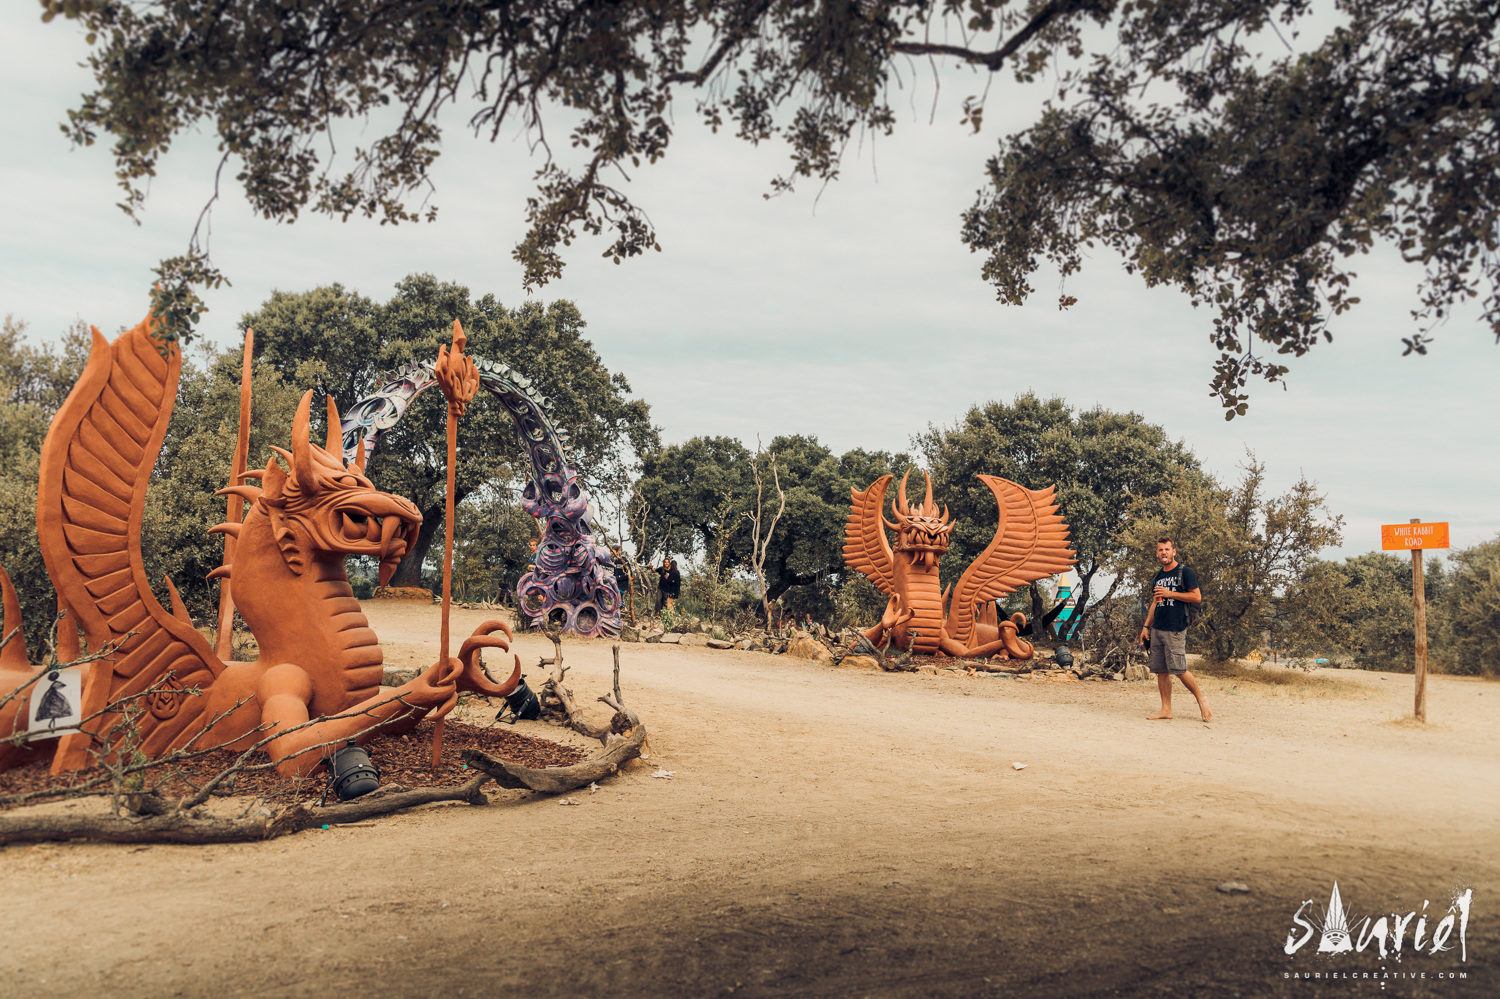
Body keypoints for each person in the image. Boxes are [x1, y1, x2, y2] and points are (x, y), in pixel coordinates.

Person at [1137, 536, 1212, 722]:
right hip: (1158, 628)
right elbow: (1155, 602)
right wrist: (1146, 626)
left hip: (1176, 628)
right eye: (1161, 550)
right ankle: (1166, 710)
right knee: (1161, 670)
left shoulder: (1185, 572)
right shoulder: (1158, 576)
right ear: (1157, 553)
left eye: (1167, 549)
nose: (1164, 553)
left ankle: (1201, 699)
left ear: (1173, 551)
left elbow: (1196, 597)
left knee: (1179, 669)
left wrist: (1171, 593)